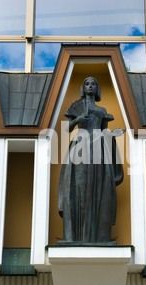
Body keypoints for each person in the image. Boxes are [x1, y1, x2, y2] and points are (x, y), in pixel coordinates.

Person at [58, 76, 124, 244]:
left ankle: (95, 233)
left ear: (97, 88)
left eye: (93, 84)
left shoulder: (101, 111)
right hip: (80, 144)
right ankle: (76, 235)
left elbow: (104, 131)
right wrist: (78, 120)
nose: (90, 86)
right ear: (83, 87)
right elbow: (67, 128)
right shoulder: (78, 109)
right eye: (87, 83)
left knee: (97, 185)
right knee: (77, 186)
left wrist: (112, 136)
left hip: (98, 145)